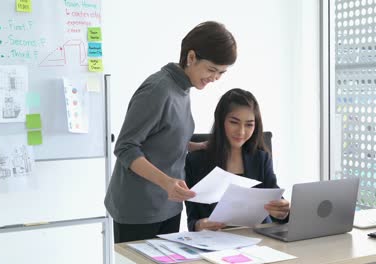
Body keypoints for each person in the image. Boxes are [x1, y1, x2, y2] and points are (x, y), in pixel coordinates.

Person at [104, 21, 237, 243]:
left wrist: (195, 146)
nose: (215, 78)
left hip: (168, 205)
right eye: (212, 70)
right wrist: (166, 182)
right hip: (139, 210)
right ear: (191, 57)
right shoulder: (159, 90)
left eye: (221, 73)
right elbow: (126, 147)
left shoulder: (183, 87)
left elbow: (162, 135)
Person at [184, 88, 290, 232]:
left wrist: (283, 209)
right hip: (217, 240)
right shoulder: (196, 161)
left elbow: (277, 204)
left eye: (249, 125)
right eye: (234, 122)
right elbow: (193, 220)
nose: (241, 132)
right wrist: (200, 225)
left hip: (258, 236)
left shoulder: (261, 158)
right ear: (221, 121)